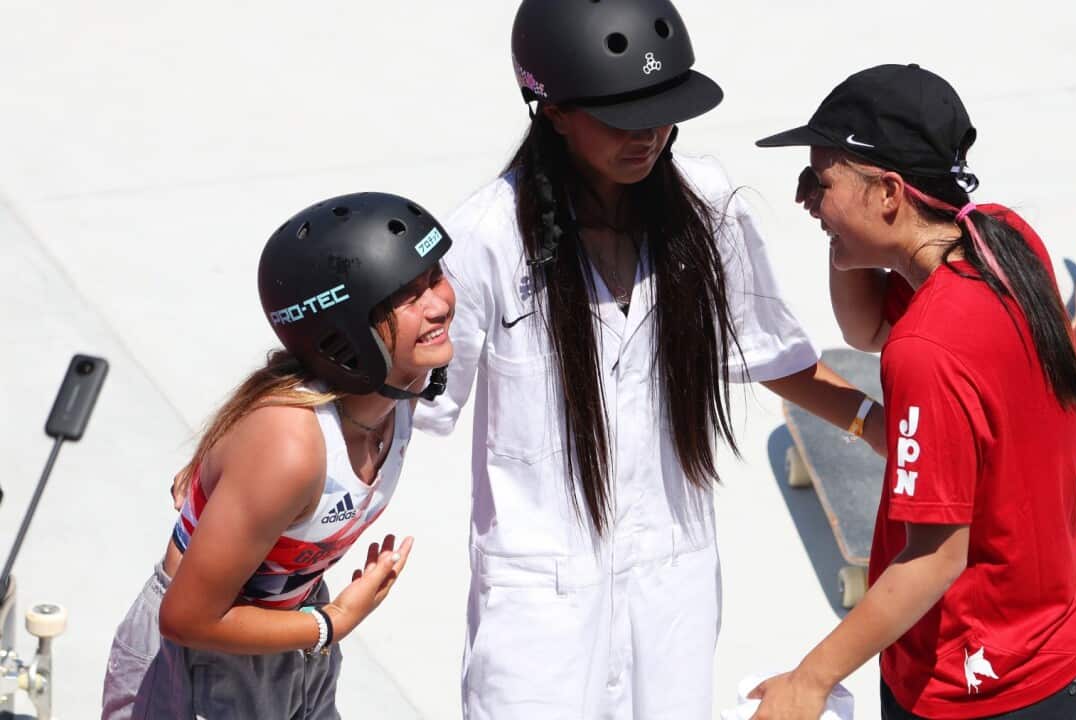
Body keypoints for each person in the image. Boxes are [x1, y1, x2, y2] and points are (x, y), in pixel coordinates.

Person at [413, 1, 886, 717]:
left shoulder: (708, 204)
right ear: (553, 109)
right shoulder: (483, 241)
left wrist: (880, 426)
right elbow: (406, 401)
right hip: (541, 601)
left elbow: (768, 351)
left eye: (663, 112)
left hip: (675, 582)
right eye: (621, 117)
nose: (649, 135)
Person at [747, 64, 1076, 719]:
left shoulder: (926, 350)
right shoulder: (1003, 241)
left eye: (821, 183)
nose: (812, 199)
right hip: (1059, 642)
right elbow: (865, 328)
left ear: (888, 191)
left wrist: (810, 679)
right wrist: (838, 230)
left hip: (979, 684)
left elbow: (936, 559)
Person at [101, 192, 455, 718]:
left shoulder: (397, 390)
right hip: (204, 662)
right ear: (344, 330)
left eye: (434, 276)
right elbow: (187, 617)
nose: (439, 303)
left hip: (283, 637)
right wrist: (334, 622)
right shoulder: (290, 446)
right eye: (406, 295)